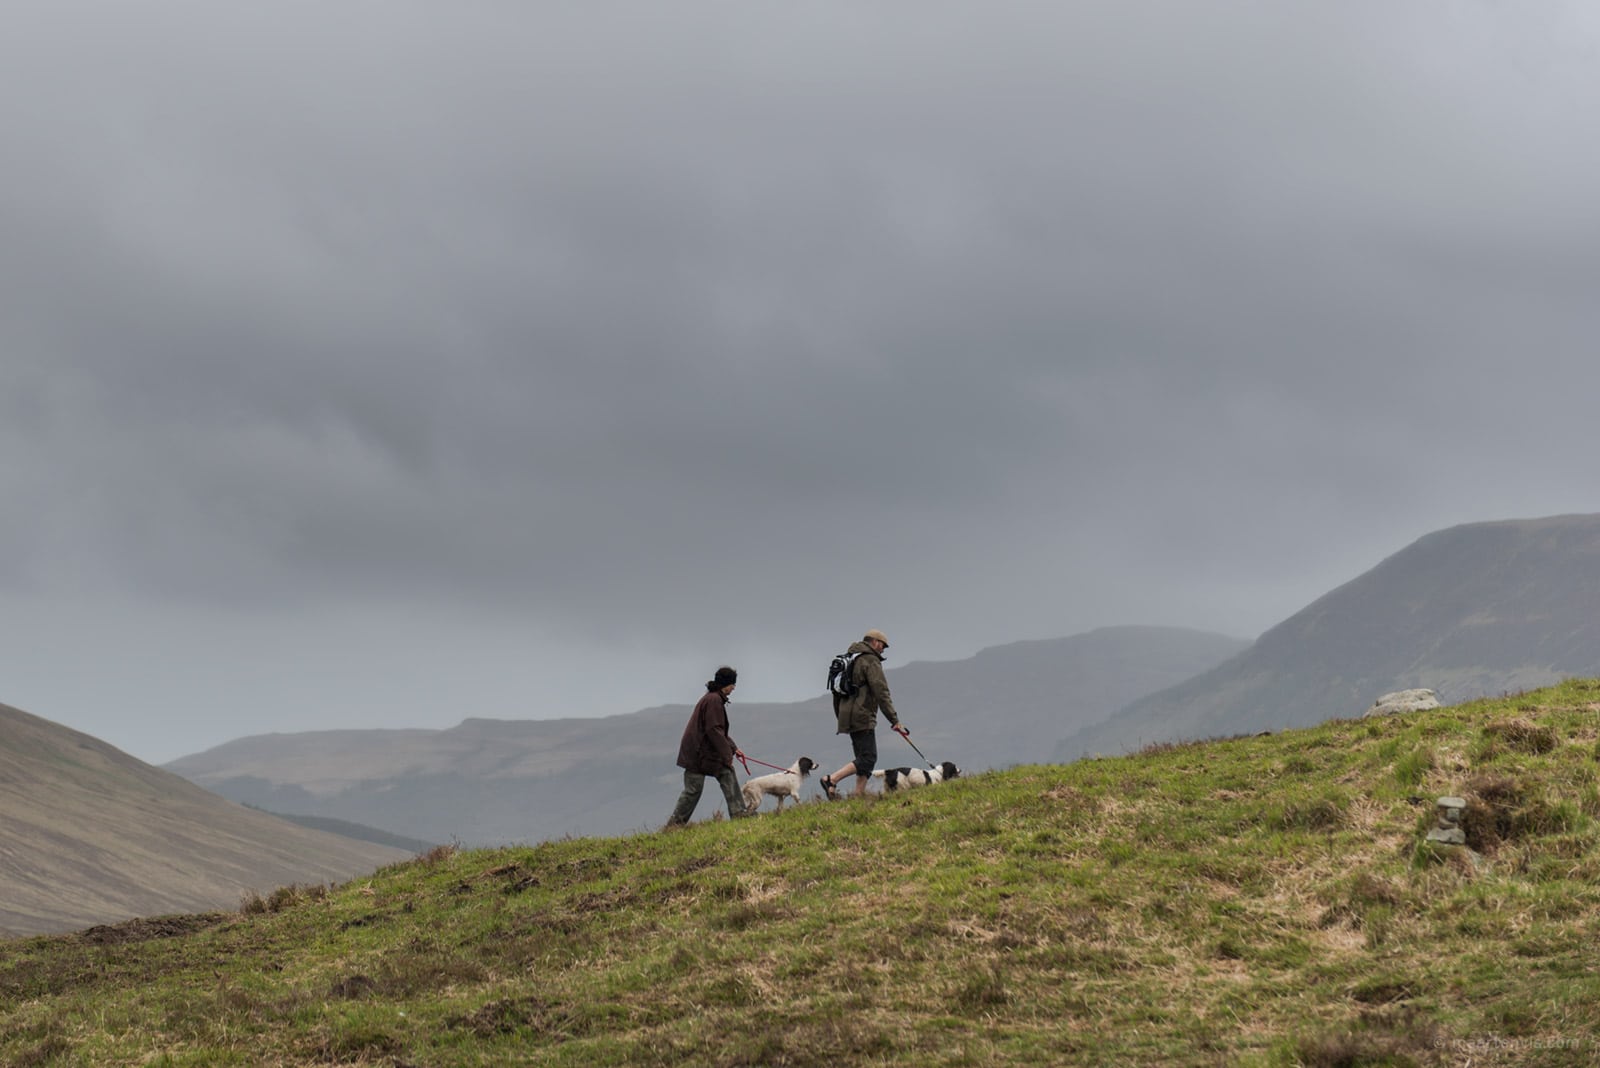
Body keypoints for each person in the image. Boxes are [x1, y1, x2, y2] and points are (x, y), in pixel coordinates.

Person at [820, 629, 909, 799]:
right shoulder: (870, 660)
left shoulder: (850, 658)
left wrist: (842, 717)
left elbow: (836, 693)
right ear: (875, 642)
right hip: (862, 714)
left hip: (849, 714)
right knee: (868, 758)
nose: (883, 649)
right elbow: (881, 691)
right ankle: (831, 780)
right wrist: (894, 719)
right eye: (883, 645)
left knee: (863, 758)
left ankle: (858, 795)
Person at [666, 666, 750, 826]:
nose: (734, 688)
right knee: (710, 781)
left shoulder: (712, 698)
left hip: (697, 753)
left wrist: (733, 748)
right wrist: (727, 755)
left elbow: (718, 730)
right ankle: (739, 814)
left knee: (697, 788)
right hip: (699, 754)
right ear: (726, 684)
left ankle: (674, 825)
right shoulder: (714, 701)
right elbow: (714, 730)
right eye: (732, 684)